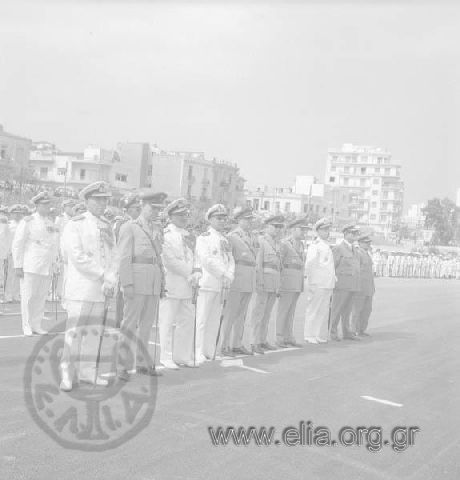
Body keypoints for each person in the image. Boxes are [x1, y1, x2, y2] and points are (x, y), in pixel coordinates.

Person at [59, 181, 118, 391]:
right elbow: (77, 257)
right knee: (74, 333)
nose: (103, 204)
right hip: (81, 288)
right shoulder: (75, 224)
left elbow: (113, 255)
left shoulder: (107, 225)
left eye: (105, 200)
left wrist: (111, 278)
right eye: (98, 199)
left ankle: (87, 373)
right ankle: (67, 374)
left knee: (93, 334)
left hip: (100, 290)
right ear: (86, 200)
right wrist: (103, 274)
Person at [117, 191, 167, 381]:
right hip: (136, 282)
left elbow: (157, 258)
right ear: (142, 206)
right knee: (129, 324)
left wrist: (162, 282)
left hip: (152, 282)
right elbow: (123, 258)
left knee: (147, 325)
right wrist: (126, 283)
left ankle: (142, 363)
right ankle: (122, 365)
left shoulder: (156, 228)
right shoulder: (129, 227)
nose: (156, 212)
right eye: (152, 208)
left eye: (159, 209)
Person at [159, 198, 202, 369]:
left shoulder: (191, 236)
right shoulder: (166, 235)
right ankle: (166, 356)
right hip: (172, 283)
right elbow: (169, 260)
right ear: (171, 216)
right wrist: (189, 273)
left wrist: (198, 271)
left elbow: (197, 257)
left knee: (187, 321)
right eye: (180, 215)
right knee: (167, 321)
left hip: (189, 285)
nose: (184, 218)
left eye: (186, 215)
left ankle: (182, 356)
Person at [11, 192, 59, 336]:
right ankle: (26, 325)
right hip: (31, 265)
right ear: (37, 205)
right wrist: (18, 265)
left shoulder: (50, 222)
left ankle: (36, 324)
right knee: (28, 297)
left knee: (40, 297)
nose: (47, 207)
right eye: (44, 205)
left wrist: (55, 264)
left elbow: (54, 245)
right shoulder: (28, 221)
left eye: (48, 204)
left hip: (46, 266)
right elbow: (18, 243)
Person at [195, 204, 235, 363]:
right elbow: (206, 260)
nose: (222, 221)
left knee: (214, 320)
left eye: (224, 218)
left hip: (221, 284)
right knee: (202, 320)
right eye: (218, 218)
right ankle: (197, 351)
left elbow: (230, 260)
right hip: (207, 283)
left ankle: (209, 350)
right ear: (210, 219)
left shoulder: (225, 239)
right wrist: (223, 274)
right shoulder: (203, 238)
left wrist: (230, 275)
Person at [219, 206, 257, 356]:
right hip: (237, 279)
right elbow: (228, 260)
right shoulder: (232, 237)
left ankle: (237, 343)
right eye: (246, 219)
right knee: (230, 314)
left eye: (250, 219)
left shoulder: (252, 237)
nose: (249, 222)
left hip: (248, 279)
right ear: (239, 220)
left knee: (242, 314)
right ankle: (224, 345)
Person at [250, 215, 285, 354]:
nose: (277, 229)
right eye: (275, 226)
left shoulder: (277, 243)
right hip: (264, 282)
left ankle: (262, 340)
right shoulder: (261, 241)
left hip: (273, 283)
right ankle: (254, 341)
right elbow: (258, 264)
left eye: (279, 227)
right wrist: (259, 282)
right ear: (267, 226)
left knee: (267, 314)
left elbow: (278, 267)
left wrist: (278, 285)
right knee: (258, 313)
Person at [276, 217, 309, 348]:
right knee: (283, 311)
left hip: (297, 282)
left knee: (291, 311)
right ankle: (279, 337)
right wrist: (279, 283)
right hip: (287, 281)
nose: (304, 233)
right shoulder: (285, 244)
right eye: (302, 230)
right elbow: (279, 264)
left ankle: (288, 336)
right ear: (293, 229)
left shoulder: (301, 245)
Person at [304, 218, 336, 344]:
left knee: (322, 311)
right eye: (324, 230)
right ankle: (308, 334)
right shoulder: (315, 246)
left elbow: (328, 267)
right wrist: (310, 282)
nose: (327, 232)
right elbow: (310, 264)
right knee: (313, 309)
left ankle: (316, 334)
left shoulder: (326, 245)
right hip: (317, 283)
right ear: (318, 231)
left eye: (328, 230)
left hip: (327, 283)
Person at [329, 223, 361, 341]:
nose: (355, 236)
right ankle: (333, 332)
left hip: (352, 284)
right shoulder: (338, 248)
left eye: (356, 233)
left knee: (347, 311)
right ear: (346, 234)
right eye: (353, 233)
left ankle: (347, 332)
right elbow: (332, 266)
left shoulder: (355, 250)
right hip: (342, 284)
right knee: (337, 309)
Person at [351, 233, 375, 337]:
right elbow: (356, 271)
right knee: (357, 310)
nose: (368, 245)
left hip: (368, 287)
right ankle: (354, 330)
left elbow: (369, 273)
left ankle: (361, 329)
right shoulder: (358, 253)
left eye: (369, 243)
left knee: (367, 310)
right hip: (360, 287)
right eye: (366, 243)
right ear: (360, 243)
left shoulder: (367, 254)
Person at [4, 204, 23, 303]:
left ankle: (16, 294)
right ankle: (8, 295)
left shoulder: (24, 224)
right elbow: (6, 240)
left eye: (19, 214)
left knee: (19, 275)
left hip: (21, 253)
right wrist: (7, 252)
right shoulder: (8, 225)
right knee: (10, 275)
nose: (18, 215)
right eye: (15, 213)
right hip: (12, 253)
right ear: (11, 214)